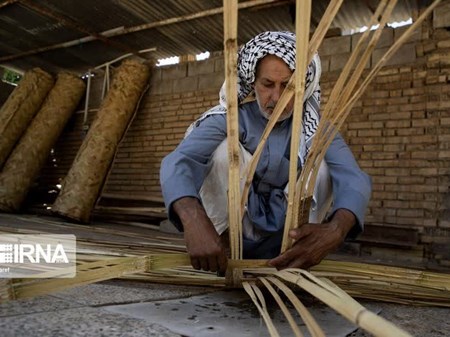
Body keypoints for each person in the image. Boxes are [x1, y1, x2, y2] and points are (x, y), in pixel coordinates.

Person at [160, 31, 371, 275]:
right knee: (221, 152)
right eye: (267, 85)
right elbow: (179, 160)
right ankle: (225, 245)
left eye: (289, 86)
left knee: (320, 165)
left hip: (289, 236)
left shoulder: (315, 128)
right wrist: (193, 218)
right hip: (230, 236)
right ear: (253, 83)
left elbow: (353, 176)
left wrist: (337, 229)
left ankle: (298, 251)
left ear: (303, 87)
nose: (278, 98)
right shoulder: (231, 120)